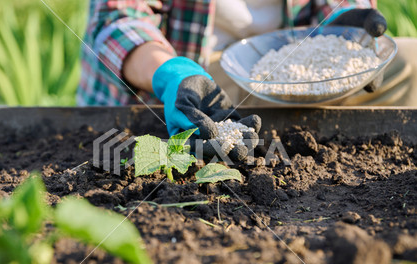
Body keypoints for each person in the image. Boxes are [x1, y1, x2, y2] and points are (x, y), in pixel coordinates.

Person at [77, 0, 387, 160]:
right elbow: (116, 21)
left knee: (408, 62)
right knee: (218, 123)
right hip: (183, 65)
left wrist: (346, 26)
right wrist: (174, 74)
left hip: (287, 57)